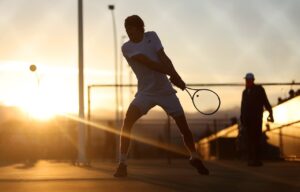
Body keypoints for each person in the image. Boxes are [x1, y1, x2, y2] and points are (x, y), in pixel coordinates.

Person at [113, 15, 209, 177]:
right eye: (127, 30)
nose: (130, 33)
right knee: (128, 121)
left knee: (183, 127)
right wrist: (173, 76)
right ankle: (122, 163)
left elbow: (164, 58)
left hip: (165, 92)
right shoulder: (127, 48)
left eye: (132, 29)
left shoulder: (152, 36)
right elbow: (150, 64)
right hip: (146, 93)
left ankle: (194, 157)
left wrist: (176, 76)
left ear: (140, 28)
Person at [240, 73, 274, 166]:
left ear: (252, 80)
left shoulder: (259, 89)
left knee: (256, 139)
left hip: (256, 118)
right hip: (247, 120)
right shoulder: (245, 92)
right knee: (249, 140)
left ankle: (256, 160)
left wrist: (270, 112)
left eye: (248, 80)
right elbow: (243, 106)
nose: (247, 82)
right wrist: (242, 119)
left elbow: (265, 101)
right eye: (246, 80)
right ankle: (251, 159)